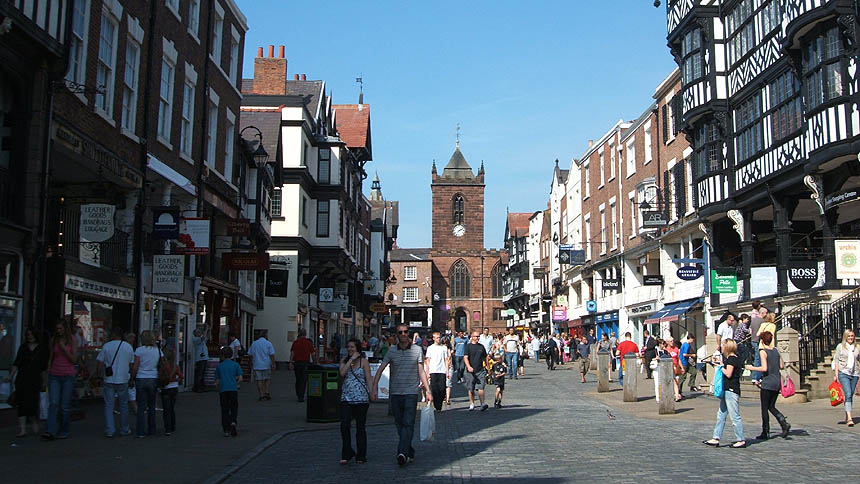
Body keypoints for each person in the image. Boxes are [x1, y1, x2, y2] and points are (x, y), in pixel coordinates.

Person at [370, 323, 431, 466]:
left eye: (405, 332)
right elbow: (380, 370)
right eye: (400, 332)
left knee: (408, 423)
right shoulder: (391, 351)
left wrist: (428, 390)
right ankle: (408, 450)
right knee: (399, 423)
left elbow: (421, 371)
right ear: (396, 335)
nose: (403, 334)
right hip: (395, 393)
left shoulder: (417, 350)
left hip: (410, 392)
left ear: (409, 333)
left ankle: (402, 453)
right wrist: (374, 388)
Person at [745, 331, 790, 439]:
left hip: (768, 382)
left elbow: (764, 368)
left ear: (762, 340)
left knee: (765, 408)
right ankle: (783, 421)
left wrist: (751, 368)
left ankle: (765, 431)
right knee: (771, 406)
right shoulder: (775, 350)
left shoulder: (763, 351)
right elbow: (781, 365)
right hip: (776, 381)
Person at [703, 339, 746, 448]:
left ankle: (740, 439)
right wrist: (721, 364)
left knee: (734, 416)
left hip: (731, 390)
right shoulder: (731, 359)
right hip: (727, 390)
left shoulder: (732, 359)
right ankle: (716, 437)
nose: (721, 346)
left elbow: (728, 373)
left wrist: (720, 366)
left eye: (723, 345)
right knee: (721, 414)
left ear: (728, 347)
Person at [5, 327, 47, 437]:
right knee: (22, 403)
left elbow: (43, 367)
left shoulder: (41, 349)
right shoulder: (23, 348)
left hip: (34, 379)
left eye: (32, 334)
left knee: (32, 403)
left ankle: (34, 422)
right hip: (22, 378)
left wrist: (44, 381)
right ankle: (22, 429)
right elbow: (17, 363)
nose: (30, 337)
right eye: (28, 335)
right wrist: (10, 376)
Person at [42, 319, 78, 441]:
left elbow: (74, 359)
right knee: (53, 404)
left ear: (65, 328)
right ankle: (50, 430)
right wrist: (47, 373)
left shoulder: (71, 339)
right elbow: (51, 357)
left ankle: (64, 429)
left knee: (64, 405)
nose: (59, 331)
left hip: (68, 375)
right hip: (55, 374)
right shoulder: (53, 340)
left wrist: (64, 348)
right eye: (57, 329)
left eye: (61, 329)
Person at [96, 326, 134, 438]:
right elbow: (131, 364)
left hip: (109, 379)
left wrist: (98, 375)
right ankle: (124, 428)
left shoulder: (106, 346)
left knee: (109, 405)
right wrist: (131, 377)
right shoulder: (128, 347)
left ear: (113, 335)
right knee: (123, 405)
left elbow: (100, 363)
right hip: (123, 378)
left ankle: (110, 430)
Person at [339, 338, 371, 464]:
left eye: (352, 347)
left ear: (358, 348)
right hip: (346, 398)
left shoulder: (364, 362)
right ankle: (347, 452)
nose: (350, 349)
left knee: (360, 427)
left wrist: (372, 391)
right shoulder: (344, 361)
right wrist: (351, 360)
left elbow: (368, 378)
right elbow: (342, 373)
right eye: (348, 347)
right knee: (344, 425)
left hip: (361, 399)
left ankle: (361, 455)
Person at [131, 330, 162, 438]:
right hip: (153, 377)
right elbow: (160, 364)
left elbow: (135, 366)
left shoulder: (139, 350)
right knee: (152, 406)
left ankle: (140, 431)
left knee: (141, 406)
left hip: (141, 377)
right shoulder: (157, 350)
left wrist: (132, 377)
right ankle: (152, 429)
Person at [830, 329, 860, 426]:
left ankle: (847, 415)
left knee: (850, 395)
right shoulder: (840, 347)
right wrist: (836, 374)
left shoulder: (857, 347)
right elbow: (837, 360)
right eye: (849, 336)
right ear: (845, 337)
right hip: (843, 373)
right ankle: (850, 418)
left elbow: (857, 360)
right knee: (847, 392)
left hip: (854, 373)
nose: (851, 338)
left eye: (852, 336)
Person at [214, 346, 242, 437]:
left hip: (223, 390)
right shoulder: (235, 365)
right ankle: (233, 421)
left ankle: (226, 429)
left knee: (224, 409)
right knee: (234, 407)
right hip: (233, 389)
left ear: (222, 355)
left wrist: (217, 386)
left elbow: (217, 381)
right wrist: (236, 383)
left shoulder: (219, 366)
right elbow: (240, 378)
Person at [463, 330, 489, 411]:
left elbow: (485, 357)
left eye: (478, 336)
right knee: (471, 388)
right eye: (476, 336)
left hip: (480, 370)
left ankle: (482, 403)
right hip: (470, 371)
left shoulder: (481, 347)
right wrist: (468, 367)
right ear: (472, 337)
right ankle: (472, 403)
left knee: (481, 387)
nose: (477, 338)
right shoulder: (468, 346)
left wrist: (488, 367)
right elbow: (465, 357)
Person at [160, 347, 183, 436]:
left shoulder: (164, 366)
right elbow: (181, 376)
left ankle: (168, 428)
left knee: (166, 409)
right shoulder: (175, 366)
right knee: (171, 408)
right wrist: (176, 380)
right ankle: (173, 425)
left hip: (166, 388)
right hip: (174, 388)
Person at [424, 331, 449, 412]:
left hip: (442, 370)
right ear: (433, 338)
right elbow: (427, 360)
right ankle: (437, 406)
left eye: (439, 338)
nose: (439, 339)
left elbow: (446, 360)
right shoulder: (430, 348)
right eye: (437, 338)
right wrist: (427, 372)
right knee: (434, 389)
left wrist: (447, 371)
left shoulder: (444, 348)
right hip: (433, 370)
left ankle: (439, 403)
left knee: (442, 389)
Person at [248, 330, 276, 401]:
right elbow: (272, 354)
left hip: (257, 364)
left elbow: (250, 354)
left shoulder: (254, 343)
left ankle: (261, 394)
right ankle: (267, 392)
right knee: (267, 379)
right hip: (266, 364)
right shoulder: (268, 343)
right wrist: (273, 363)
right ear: (266, 336)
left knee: (259, 380)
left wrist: (251, 362)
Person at [289, 328, 315, 402]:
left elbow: (292, 353)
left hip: (297, 363)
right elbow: (313, 353)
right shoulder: (308, 342)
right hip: (305, 363)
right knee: (303, 380)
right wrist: (314, 362)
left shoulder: (296, 342)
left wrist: (291, 362)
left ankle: (298, 393)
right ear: (305, 334)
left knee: (298, 379)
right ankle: (301, 396)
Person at [749, 302, 765, 383]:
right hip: (758, 341)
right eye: (765, 313)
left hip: (753, 340)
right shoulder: (762, 321)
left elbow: (750, 331)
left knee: (757, 358)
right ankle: (756, 377)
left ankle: (759, 375)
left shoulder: (753, 319)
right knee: (758, 358)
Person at [192, 325, 210, 392]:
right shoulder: (195, 339)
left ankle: (201, 386)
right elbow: (203, 337)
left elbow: (207, 337)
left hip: (204, 358)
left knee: (202, 373)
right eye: (198, 332)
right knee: (199, 373)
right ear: (195, 333)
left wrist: (208, 330)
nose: (200, 333)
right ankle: (197, 387)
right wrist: (206, 329)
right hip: (200, 359)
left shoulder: (201, 340)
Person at [124, 333, 138, 415]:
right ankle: (135, 409)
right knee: (131, 392)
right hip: (127, 372)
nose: (132, 340)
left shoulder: (129, 348)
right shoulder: (129, 348)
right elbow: (132, 363)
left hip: (122, 373)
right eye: (131, 338)